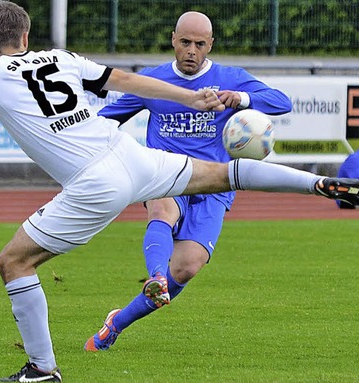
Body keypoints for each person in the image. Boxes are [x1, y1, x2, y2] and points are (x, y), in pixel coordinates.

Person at [0, 0, 359, 381]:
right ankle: (317, 183)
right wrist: (191, 97)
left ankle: (41, 369)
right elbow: (132, 80)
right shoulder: (61, 58)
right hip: (130, 156)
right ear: (28, 34)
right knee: (223, 173)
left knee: (14, 263)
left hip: (95, 180)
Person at [84, 11, 293, 352]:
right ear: (173, 40)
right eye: (185, 43)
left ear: (210, 44)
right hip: (165, 173)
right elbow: (106, 119)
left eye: (199, 44)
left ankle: (117, 322)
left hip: (213, 185)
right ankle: (154, 276)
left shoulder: (230, 78)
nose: (191, 51)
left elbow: (282, 102)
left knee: (186, 269)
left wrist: (241, 99)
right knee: (163, 211)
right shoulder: (154, 82)